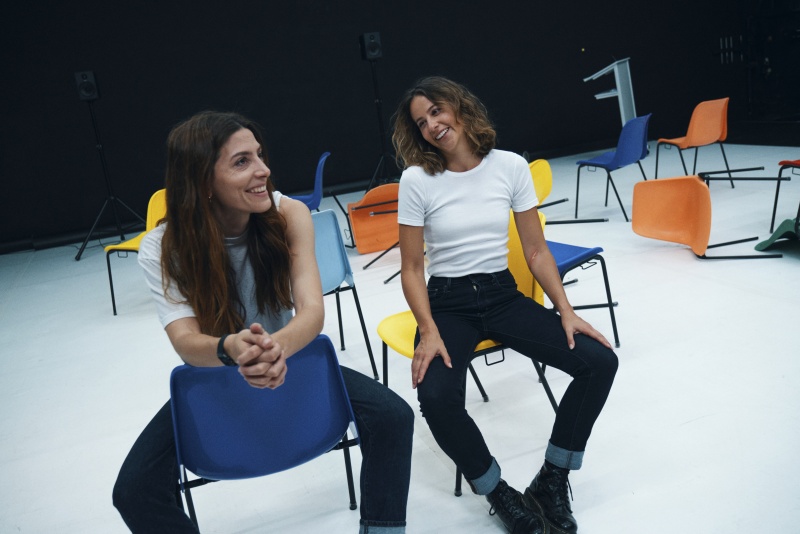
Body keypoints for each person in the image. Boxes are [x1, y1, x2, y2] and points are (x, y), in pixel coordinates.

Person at [112, 111, 414, 534]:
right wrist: (230, 349)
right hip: (218, 374)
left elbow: (311, 310)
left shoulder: (289, 214)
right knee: (133, 490)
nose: (263, 169)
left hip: (289, 360)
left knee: (393, 417)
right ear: (202, 181)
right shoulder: (163, 247)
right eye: (242, 161)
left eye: (259, 155)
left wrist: (276, 348)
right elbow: (185, 341)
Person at [391, 76, 618, 534]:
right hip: (448, 303)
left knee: (599, 362)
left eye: (436, 111)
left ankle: (552, 479)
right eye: (421, 122)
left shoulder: (510, 166)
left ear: (459, 106)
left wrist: (566, 311)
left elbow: (535, 250)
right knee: (435, 397)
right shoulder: (417, 180)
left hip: (501, 294)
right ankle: (498, 492)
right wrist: (428, 330)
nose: (432, 125)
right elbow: (412, 269)